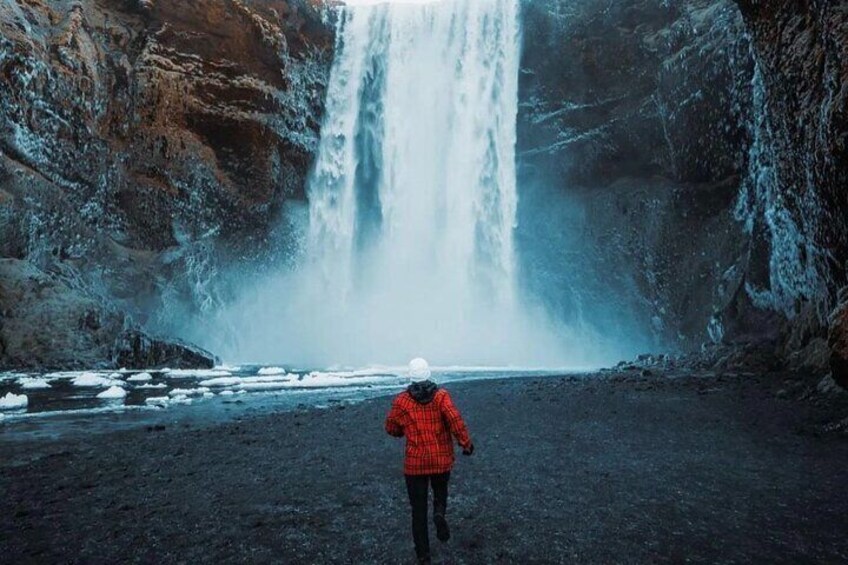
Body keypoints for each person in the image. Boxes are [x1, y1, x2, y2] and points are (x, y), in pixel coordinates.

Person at [385, 358, 474, 564]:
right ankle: (439, 513)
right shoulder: (441, 396)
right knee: (440, 492)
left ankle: (423, 555)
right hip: (440, 459)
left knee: (418, 511)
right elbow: (455, 420)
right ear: (428, 374)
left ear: (411, 376)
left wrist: (403, 430)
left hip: (415, 464)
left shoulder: (402, 401)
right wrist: (466, 443)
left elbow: (390, 427)